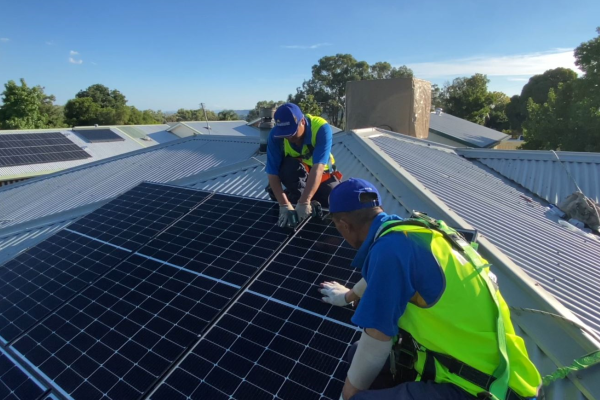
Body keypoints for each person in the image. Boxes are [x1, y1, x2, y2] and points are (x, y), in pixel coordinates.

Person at [319, 178, 541, 400]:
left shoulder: (390, 252)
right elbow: (381, 276)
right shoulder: (414, 233)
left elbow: (377, 339)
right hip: (488, 364)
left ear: (343, 225)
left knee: (357, 394)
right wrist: (347, 296)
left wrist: (347, 396)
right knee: (357, 353)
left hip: (483, 388)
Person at [265, 103, 341, 227]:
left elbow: (318, 168)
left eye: (292, 132)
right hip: (296, 175)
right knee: (287, 169)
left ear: (303, 122)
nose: (289, 136)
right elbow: (272, 172)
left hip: (322, 175)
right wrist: (284, 204)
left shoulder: (321, 128)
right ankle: (296, 201)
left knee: (334, 199)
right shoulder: (275, 135)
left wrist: (305, 201)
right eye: (285, 133)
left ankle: (307, 203)